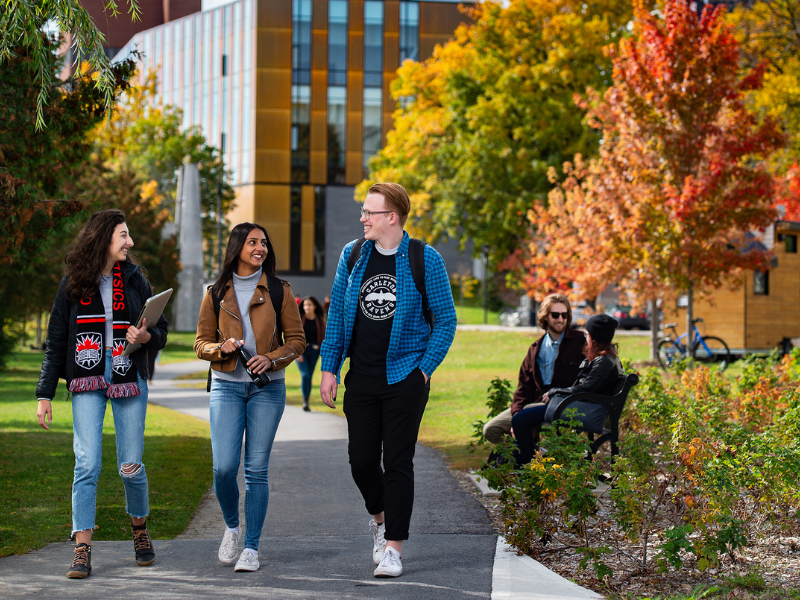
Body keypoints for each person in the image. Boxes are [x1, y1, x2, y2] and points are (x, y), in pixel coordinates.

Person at [320, 182, 457, 578]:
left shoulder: (424, 259)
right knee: (361, 460)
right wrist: (330, 368)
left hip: (404, 378)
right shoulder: (354, 254)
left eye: (369, 212)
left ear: (391, 217)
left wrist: (424, 369)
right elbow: (340, 319)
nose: (363, 218)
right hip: (360, 378)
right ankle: (380, 522)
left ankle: (394, 547)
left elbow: (445, 321)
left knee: (398, 462)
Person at [35, 209, 168, 579]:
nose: (131, 242)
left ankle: (140, 532)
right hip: (86, 378)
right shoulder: (73, 283)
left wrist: (146, 338)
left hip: (129, 377)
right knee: (87, 463)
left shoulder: (136, 279)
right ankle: (82, 547)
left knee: (130, 466)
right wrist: (44, 394)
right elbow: (56, 342)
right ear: (104, 238)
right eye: (124, 235)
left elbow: (161, 331)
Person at [194, 222, 305, 573]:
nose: (260, 248)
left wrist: (271, 358)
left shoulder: (278, 290)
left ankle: (252, 548)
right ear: (237, 246)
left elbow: (297, 341)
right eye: (253, 242)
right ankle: (231, 526)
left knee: (256, 469)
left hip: (267, 389)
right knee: (224, 467)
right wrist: (220, 347)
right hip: (226, 385)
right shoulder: (215, 292)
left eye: (264, 243)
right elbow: (200, 344)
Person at [511, 313, 623, 466]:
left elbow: (584, 389)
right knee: (526, 414)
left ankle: (525, 464)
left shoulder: (603, 362)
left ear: (594, 337)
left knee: (519, 420)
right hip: (581, 407)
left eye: (587, 333)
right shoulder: (605, 359)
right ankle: (527, 461)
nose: (585, 336)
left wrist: (554, 392)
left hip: (582, 411)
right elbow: (586, 388)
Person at [482, 294, 585, 448]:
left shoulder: (581, 342)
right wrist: (516, 415)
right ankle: (532, 452)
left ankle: (526, 460)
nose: (560, 319)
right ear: (545, 317)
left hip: (565, 405)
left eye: (564, 315)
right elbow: (523, 387)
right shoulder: (536, 348)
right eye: (555, 315)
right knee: (490, 429)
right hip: (535, 405)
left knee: (524, 420)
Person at [296, 296, 326, 411]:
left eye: (309, 305)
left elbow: (323, 337)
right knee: (305, 375)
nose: (306, 307)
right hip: (301, 351)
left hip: (314, 351)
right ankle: (304, 401)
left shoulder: (319, 320)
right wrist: (298, 353)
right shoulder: (299, 318)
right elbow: (294, 337)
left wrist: (321, 352)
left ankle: (306, 401)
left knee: (309, 377)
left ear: (314, 306)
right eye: (304, 305)